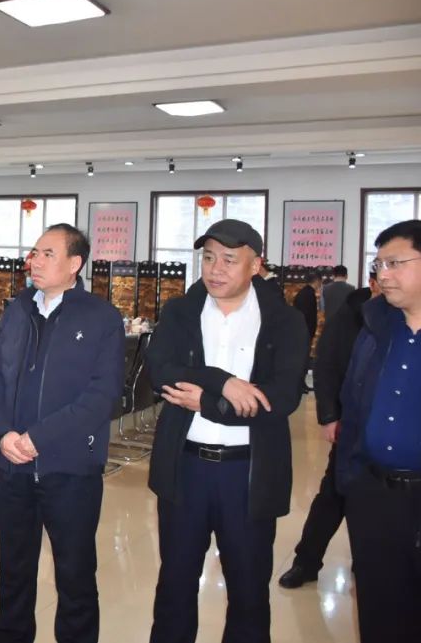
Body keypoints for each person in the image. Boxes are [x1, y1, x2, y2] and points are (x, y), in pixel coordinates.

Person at [145, 219, 308, 643]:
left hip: (248, 473)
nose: (215, 269)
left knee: (249, 590)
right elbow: (161, 372)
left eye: (229, 260)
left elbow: (280, 398)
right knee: (175, 583)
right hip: (185, 468)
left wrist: (208, 403)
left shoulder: (283, 321)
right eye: (209, 257)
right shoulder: (180, 312)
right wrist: (225, 382)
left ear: (256, 265)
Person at [0, 224, 124, 643]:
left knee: (75, 577)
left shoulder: (100, 318)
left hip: (70, 470)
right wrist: (3, 434)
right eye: (34, 253)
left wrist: (38, 438)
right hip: (14, 469)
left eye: (47, 254)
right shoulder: (18, 309)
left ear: (75, 263)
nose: (35, 262)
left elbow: (101, 396)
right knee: (12, 574)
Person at [337, 219, 421, 643]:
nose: (382, 274)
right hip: (374, 496)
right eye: (378, 264)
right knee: (380, 613)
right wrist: (351, 482)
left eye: (394, 263)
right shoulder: (374, 328)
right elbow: (352, 409)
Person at [279, 271, 379, 588]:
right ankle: (306, 562)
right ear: (372, 282)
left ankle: (369, 562)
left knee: (383, 506)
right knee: (332, 496)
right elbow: (327, 364)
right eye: (384, 272)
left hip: (394, 432)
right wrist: (330, 415)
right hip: (353, 425)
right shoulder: (352, 313)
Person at [293, 271, 321, 343]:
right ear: (317, 281)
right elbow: (310, 315)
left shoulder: (302, 292)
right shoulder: (310, 294)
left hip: (298, 329)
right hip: (306, 331)